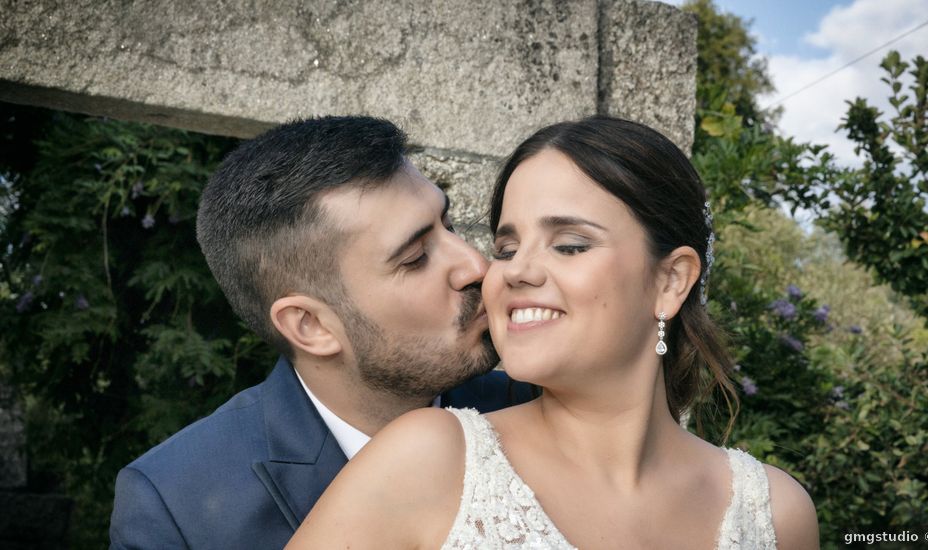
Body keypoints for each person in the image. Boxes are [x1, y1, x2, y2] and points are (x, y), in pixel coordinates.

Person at [287, 116, 819, 549]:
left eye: (569, 245)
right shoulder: (428, 460)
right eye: (507, 247)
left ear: (670, 280)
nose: (514, 271)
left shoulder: (776, 514)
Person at [108, 116, 534, 549]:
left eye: (451, 225)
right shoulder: (176, 506)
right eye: (415, 257)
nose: (476, 266)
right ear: (310, 326)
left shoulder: (536, 403)